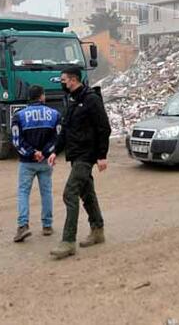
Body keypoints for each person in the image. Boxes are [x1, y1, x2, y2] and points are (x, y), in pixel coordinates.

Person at [50, 67, 112, 260]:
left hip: (86, 155)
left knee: (70, 193)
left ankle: (68, 241)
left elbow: (104, 128)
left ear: (74, 80)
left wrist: (102, 155)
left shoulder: (91, 99)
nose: (62, 83)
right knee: (87, 193)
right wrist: (55, 151)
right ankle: (98, 230)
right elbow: (66, 130)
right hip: (75, 154)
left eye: (63, 80)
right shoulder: (73, 100)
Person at [11, 85, 60, 242]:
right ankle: (47, 225)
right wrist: (44, 153)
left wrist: (32, 153)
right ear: (42, 96)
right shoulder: (54, 114)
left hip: (27, 162)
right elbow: (57, 138)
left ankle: (23, 226)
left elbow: (17, 141)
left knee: (23, 192)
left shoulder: (19, 116)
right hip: (46, 162)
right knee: (46, 192)